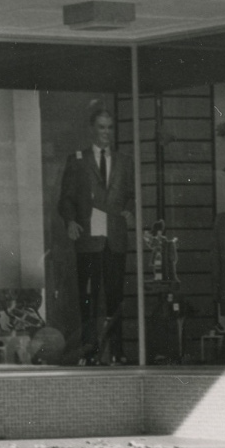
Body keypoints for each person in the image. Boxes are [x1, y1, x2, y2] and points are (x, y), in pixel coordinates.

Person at [57, 103, 131, 363]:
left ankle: (117, 352)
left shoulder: (124, 161)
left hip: (115, 239)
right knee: (88, 297)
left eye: (110, 128)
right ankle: (89, 350)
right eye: (101, 127)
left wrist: (129, 212)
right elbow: (65, 198)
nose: (106, 133)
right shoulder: (78, 160)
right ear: (92, 129)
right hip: (89, 238)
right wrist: (70, 221)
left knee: (115, 298)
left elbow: (130, 197)